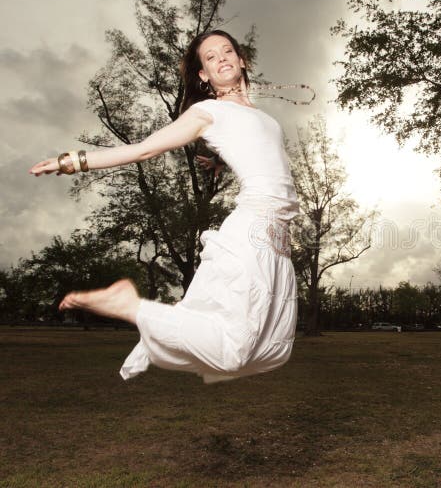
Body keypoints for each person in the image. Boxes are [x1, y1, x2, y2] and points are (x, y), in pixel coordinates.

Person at [29, 30, 300, 384]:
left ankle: (141, 310)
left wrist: (221, 161)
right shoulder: (207, 111)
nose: (221, 58)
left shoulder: (265, 118)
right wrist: (74, 161)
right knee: (233, 352)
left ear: (241, 59)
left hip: (280, 238)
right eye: (210, 57)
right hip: (253, 229)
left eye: (227, 51)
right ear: (204, 75)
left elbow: (262, 156)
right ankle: (129, 305)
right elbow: (143, 149)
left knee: (272, 350)